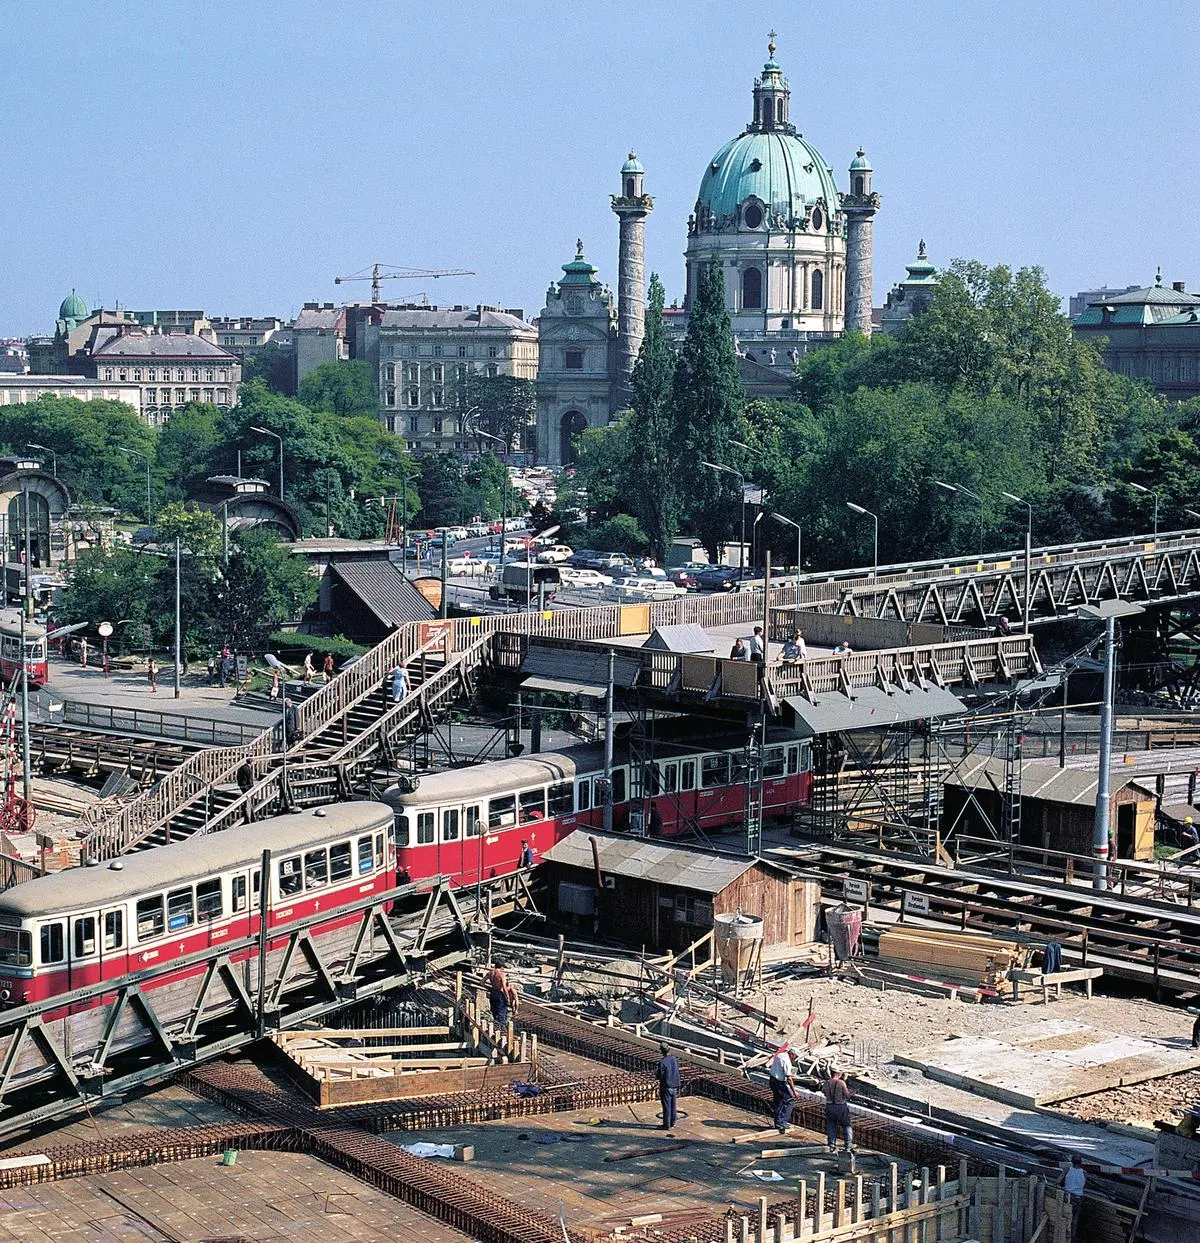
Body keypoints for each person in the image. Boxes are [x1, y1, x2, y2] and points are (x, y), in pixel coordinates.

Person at [767, 1043, 797, 1134]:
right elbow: (789, 1078)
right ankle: (782, 1122)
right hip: (779, 1083)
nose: (794, 1059)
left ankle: (777, 1122)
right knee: (790, 1101)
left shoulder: (780, 1055)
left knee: (778, 1101)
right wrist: (794, 1091)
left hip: (772, 1080)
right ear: (792, 1054)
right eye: (795, 1057)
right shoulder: (786, 1061)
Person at [822, 1070, 853, 1153]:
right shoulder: (841, 1083)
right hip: (840, 1106)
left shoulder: (826, 1083)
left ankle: (831, 1145)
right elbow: (847, 1095)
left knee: (832, 1125)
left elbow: (824, 1092)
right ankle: (848, 1145)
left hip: (829, 1106)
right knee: (846, 1125)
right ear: (838, 1074)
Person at [656, 1042, 681, 1131]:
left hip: (666, 1086)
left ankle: (667, 1125)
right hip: (675, 1085)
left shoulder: (662, 1062)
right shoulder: (674, 1059)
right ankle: (673, 1122)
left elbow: (659, 1075)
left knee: (666, 1106)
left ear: (662, 1051)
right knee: (673, 1104)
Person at [485, 963, 515, 1029]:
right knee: (501, 1012)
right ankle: (501, 1029)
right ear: (501, 967)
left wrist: (490, 988)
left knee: (494, 1011)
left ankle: (496, 1028)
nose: (503, 969)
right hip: (500, 994)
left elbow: (481, 982)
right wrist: (507, 998)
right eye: (503, 967)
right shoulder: (501, 975)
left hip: (493, 993)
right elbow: (504, 988)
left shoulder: (490, 973)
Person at [1062, 1155, 1086, 1238]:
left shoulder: (1067, 1170)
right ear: (1081, 1163)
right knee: (1075, 1219)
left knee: (1065, 1216)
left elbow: (1058, 1181)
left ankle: (1064, 1235)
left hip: (1068, 1196)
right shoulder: (1084, 1172)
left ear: (1072, 1162)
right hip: (1079, 1198)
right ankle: (1072, 1237)